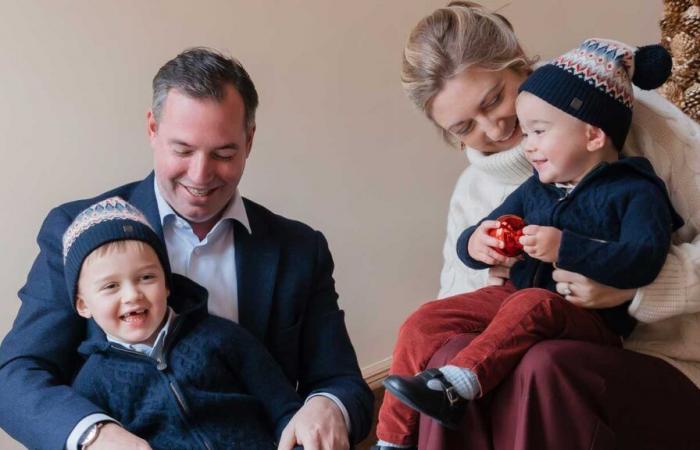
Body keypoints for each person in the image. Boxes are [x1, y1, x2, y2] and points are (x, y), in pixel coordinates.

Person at [0, 48, 373, 450]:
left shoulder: (300, 249)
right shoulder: (76, 233)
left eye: (224, 153)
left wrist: (326, 405)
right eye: (183, 150)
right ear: (152, 128)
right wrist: (95, 434)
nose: (200, 175)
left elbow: (343, 383)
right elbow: (16, 375)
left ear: (249, 141)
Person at [375, 2, 700, 450]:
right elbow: (457, 301)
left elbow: (638, 254)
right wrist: (484, 256)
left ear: (520, 62)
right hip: (528, 364)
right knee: (449, 352)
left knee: (543, 363)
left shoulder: (621, 119)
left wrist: (637, 288)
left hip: (668, 361)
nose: (495, 127)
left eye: (493, 99)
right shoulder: (474, 193)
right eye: (465, 125)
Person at [65, 196, 303, 449]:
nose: (132, 295)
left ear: (167, 284)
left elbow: (286, 409)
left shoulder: (221, 337)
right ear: (83, 305)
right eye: (111, 286)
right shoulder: (93, 382)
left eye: (146, 277)